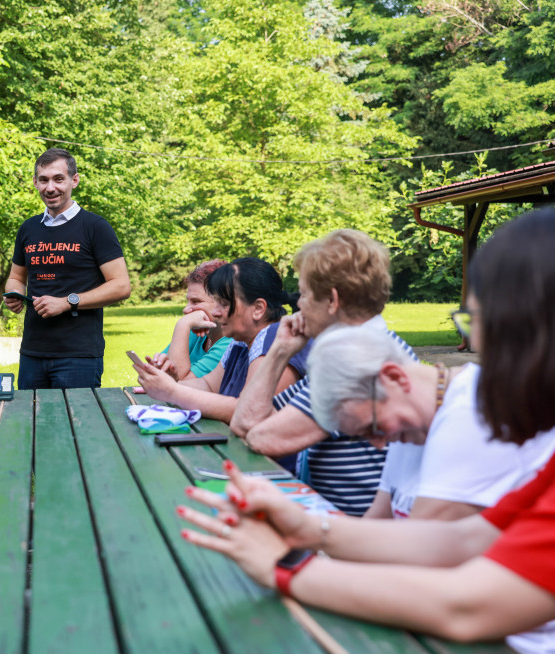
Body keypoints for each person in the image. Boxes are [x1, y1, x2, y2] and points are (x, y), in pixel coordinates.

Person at [178, 208, 555, 653]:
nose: (480, 352)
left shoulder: (461, 404)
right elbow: (463, 539)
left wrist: (285, 565)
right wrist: (308, 530)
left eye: (484, 326)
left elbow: (466, 605)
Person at [229, 229, 411, 515]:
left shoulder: (356, 361)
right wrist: (279, 351)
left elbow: (260, 437)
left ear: (332, 300)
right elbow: (246, 420)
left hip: (349, 529)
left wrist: (277, 353)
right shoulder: (367, 346)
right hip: (332, 518)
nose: (297, 304)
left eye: (303, 293)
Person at [294, 325, 555, 520]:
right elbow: (379, 521)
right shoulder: (414, 422)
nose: (377, 444)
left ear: (394, 378)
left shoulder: (472, 414)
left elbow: (417, 544)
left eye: (373, 428)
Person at [4, 148, 131, 390]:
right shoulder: (28, 228)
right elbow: (16, 277)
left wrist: (66, 302)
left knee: (76, 427)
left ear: (75, 180)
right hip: (32, 352)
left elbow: (121, 286)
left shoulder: (96, 227)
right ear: (35, 182)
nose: (50, 188)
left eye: (58, 179)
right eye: (43, 180)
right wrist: (13, 294)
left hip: (79, 355)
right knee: (34, 425)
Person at [133, 258, 308, 429]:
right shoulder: (241, 342)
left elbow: (248, 412)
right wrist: (166, 383)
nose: (216, 313)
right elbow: (208, 385)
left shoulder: (275, 340)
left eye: (224, 304)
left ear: (258, 309)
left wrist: (172, 391)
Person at [150, 260, 231, 381]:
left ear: (224, 302)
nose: (186, 309)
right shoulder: (199, 334)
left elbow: (179, 385)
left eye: (196, 301)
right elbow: (155, 373)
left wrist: (182, 325)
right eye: (187, 301)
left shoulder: (231, 344)